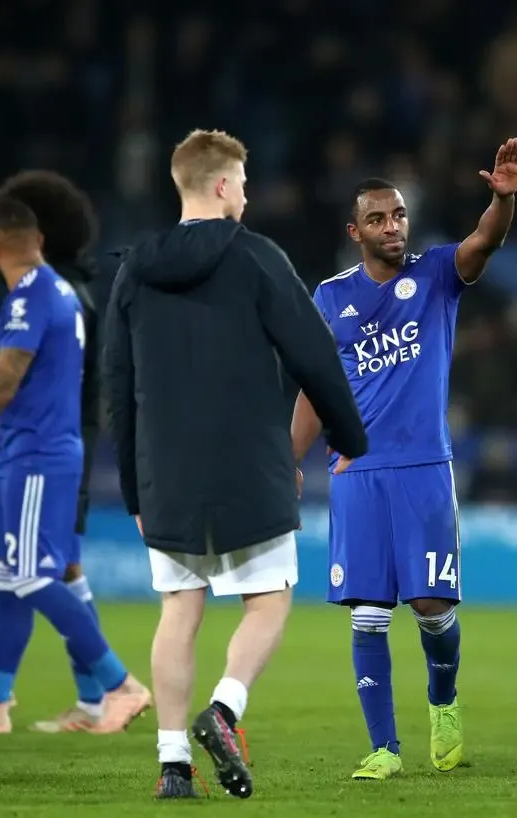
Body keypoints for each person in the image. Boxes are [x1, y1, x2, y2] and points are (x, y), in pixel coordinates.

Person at [104, 129, 367, 800]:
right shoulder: (257, 259)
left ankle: (171, 768)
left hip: (166, 470)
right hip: (249, 461)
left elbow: (116, 385)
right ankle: (222, 709)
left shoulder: (133, 267)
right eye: (243, 182)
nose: (247, 194)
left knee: (179, 608)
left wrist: (136, 489)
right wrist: (349, 439)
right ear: (221, 185)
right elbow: (315, 355)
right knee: (269, 599)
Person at [289, 138, 517, 781]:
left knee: (429, 608)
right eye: (378, 219)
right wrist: (290, 462)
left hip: (424, 468)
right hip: (356, 470)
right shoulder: (330, 298)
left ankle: (443, 703)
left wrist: (502, 200)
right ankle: (384, 749)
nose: (392, 227)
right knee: (368, 609)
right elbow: (315, 385)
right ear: (355, 230)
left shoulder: (437, 273)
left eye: (398, 216)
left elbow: (485, 242)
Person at [0, 197, 150, 735]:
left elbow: (5, 381)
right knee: (9, 574)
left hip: (36, 459)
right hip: (33, 448)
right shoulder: (62, 294)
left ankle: (120, 685)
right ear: (37, 242)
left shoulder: (29, 298)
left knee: (28, 576)